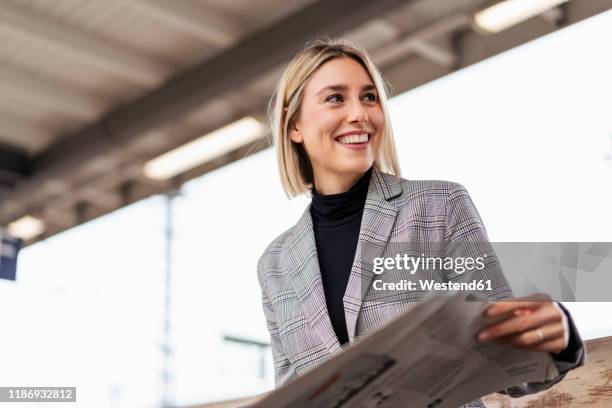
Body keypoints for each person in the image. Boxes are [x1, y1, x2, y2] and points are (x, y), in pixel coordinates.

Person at [257, 38, 584, 407]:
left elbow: (510, 355)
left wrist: (559, 336)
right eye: (336, 98)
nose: (360, 114)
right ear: (294, 125)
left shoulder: (439, 207)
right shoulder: (275, 265)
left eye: (369, 97)